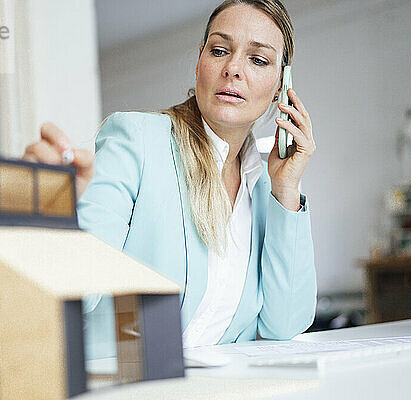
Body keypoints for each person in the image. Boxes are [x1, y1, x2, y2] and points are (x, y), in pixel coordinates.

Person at [23, 0, 316, 349]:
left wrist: (286, 190)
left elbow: (285, 323)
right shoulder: (137, 139)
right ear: (199, 62)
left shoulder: (266, 185)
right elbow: (74, 292)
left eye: (258, 60)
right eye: (220, 50)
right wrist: (52, 211)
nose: (233, 68)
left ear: (281, 85)